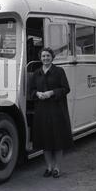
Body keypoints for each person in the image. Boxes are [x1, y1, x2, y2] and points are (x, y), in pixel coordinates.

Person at [29, 47, 73, 178]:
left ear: (52, 57)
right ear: (40, 58)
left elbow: (66, 89)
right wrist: (37, 93)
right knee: (45, 141)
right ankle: (48, 167)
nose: (45, 58)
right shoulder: (36, 73)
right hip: (42, 111)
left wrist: (52, 92)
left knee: (57, 140)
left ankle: (57, 168)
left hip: (57, 110)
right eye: (43, 56)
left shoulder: (59, 71)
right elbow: (31, 91)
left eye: (48, 56)